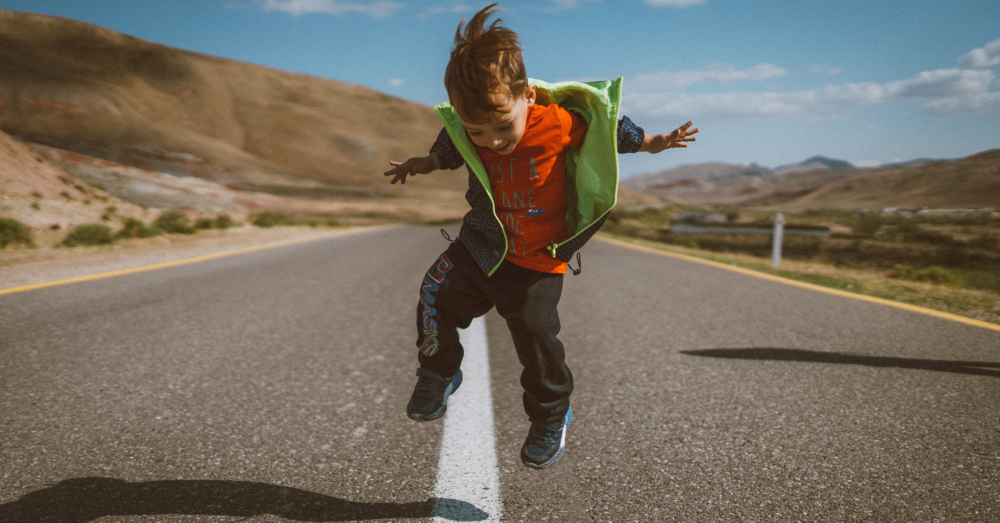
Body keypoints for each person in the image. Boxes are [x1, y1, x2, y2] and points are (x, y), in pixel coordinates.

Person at [384, 3, 697, 469]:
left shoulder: (558, 121)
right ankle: (437, 371)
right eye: (478, 131)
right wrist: (424, 163)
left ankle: (551, 416)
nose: (491, 141)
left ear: (528, 95)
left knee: (536, 342)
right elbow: (450, 146)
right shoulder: (470, 131)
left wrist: (653, 142)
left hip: (535, 260)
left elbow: (608, 129)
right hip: (480, 245)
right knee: (433, 294)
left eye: (501, 126)